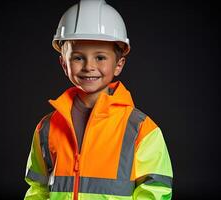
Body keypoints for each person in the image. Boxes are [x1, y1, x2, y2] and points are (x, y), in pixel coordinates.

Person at [23, 0, 173, 199]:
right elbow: (37, 188)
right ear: (63, 63)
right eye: (78, 57)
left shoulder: (141, 129)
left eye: (100, 57)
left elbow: (155, 190)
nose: (88, 66)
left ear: (118, 65)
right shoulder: (47, 127)